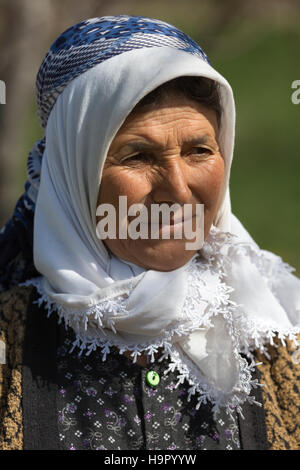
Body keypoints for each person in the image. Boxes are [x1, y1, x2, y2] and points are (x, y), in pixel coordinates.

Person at [0, 15, 299, 451]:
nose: (178, 191)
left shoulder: (275, 337)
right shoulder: (12, 342)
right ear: (72, 176)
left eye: (200, 150)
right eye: (138, 156)